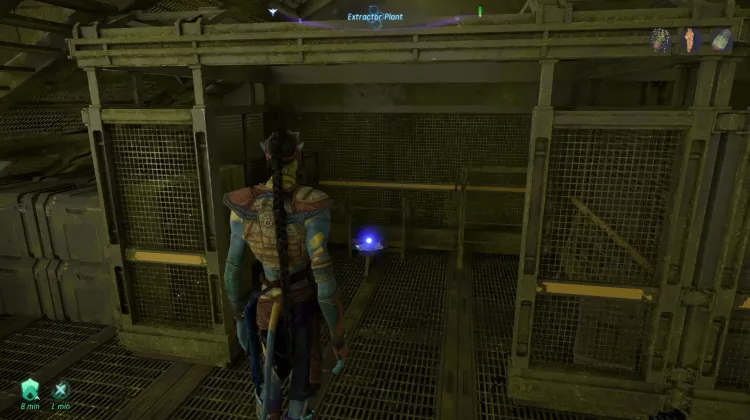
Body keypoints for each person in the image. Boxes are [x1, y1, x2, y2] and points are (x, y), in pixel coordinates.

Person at [223, 130, 347, 420]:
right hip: (302, 307)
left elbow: (232, 273)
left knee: (267, 384)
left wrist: (239, 318)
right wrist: (338, 338)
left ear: (267, 157)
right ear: (298, 156)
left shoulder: (243, 205)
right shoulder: (313, 205)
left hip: (266, 307)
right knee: (302, 390)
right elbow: (326, 287)